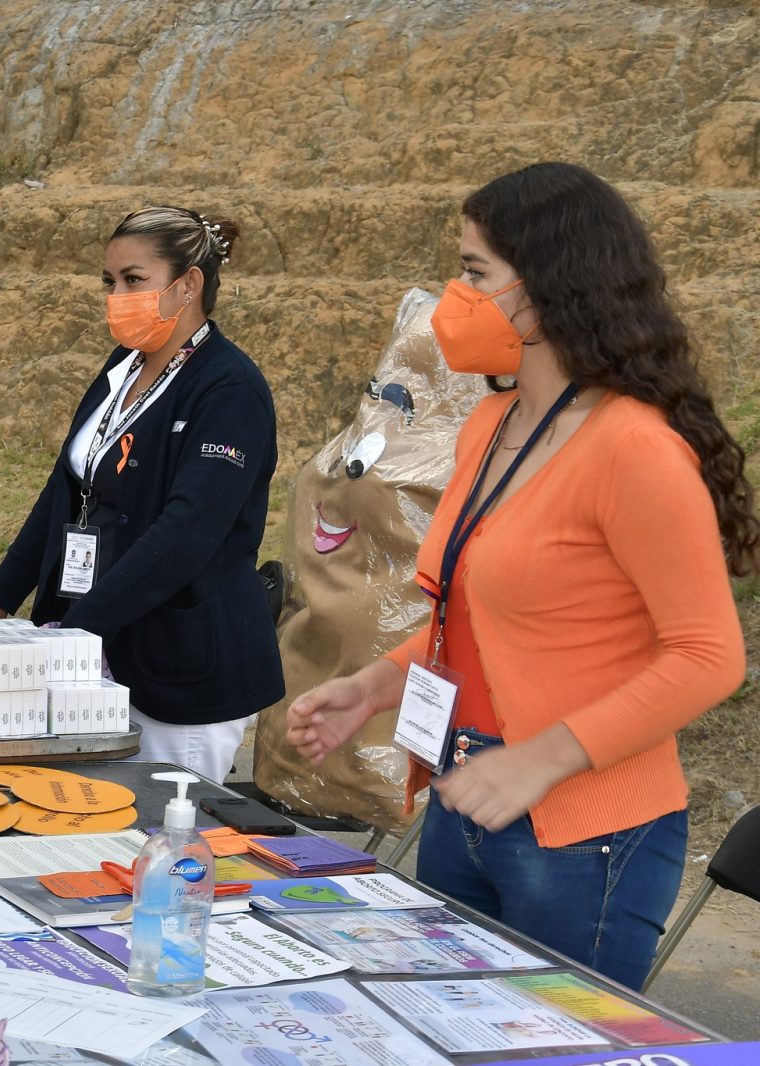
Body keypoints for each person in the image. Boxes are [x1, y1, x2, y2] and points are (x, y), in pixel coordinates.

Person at [285, 162, 755, 991]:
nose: (451, 296)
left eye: (473, 273)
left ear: (545, 290)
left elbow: (708, 655)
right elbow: (472, 624)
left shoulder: (633, 448)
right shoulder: (493, 422)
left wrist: (544, 759)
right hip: (471, 792)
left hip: (583, 831)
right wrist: (371, 690)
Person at [0, 206, 283, 782]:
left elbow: (185, 533)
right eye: (109, 282)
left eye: (134, 280)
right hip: (92, 645)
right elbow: (65, 490)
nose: (117, 295)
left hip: (179, 664)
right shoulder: (122, 366)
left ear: (187, 285)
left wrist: (80, 631)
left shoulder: (229, 387)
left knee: (164, 843)